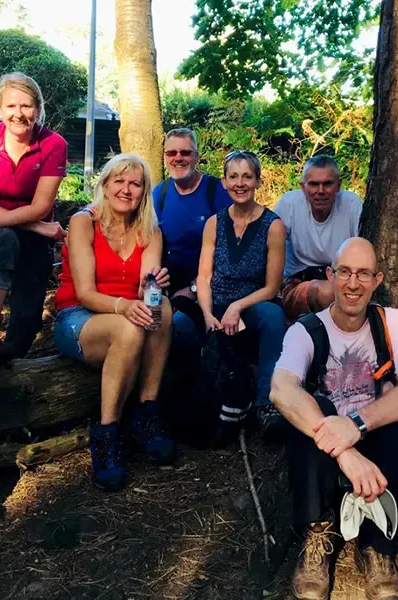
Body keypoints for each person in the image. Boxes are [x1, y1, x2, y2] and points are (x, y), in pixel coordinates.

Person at [270, 238, 398, 600]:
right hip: (325, 455)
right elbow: (281, 389)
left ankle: (376, 543)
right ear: (330, 275)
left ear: (377, 279)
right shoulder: (307, 330)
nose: (353, 284)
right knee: (312, 414)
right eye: (344, 272)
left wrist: (356, 424)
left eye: (363, 274)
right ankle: (318, 535)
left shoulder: (394, 323)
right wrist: (344, 449)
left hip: (375, 444)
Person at [53, 153, 174, 492]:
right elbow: (86, 293)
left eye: (135, 183)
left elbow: (144, 290)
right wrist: (124, 306)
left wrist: (151, 283)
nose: (126, 189)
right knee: (129, 325)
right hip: (78, 315)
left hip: (127, 313)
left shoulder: (149, 230)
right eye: (119, 181)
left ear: (144, 191)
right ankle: (107, 434)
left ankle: (148, 411)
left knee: (161, 306)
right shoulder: (83, 222)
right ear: (105, 186)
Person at [0, 72, 68, 365]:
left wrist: (33, 224)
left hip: (26, 230)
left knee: (27, 317)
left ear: (38, 109)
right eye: (11, 106)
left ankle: (10, 356)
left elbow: (40, 207)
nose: (18, 114)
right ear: (0, 109)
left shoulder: (53, 145)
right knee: (4, 238)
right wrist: (38, 226)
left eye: (26, 106)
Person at [196, 151, 286, 434]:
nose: (240, 183)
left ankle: (265, 404)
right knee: (180, 327)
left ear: (258, 181)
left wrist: (237, 307)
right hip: (214, 300)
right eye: (233, 176)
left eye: (247, 176)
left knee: (273, 317)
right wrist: (208, 314)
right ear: (224, 182)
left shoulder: (273, 226)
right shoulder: (214, 223)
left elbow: (272, 287)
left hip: (252, 302)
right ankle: (190, 405)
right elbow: (204, 276)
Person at [153, 128, 232, 349]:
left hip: (212, 286)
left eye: (185, 153)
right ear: (165, 157)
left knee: (180, 328)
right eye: (172, 153)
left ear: (197, 156)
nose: (178, 158)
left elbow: (231, 252)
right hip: (170, 285)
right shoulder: (160, 194)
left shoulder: (216, 192)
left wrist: (194, 289)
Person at [275, 155, 362, 321]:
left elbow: (362, 250)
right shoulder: (290, 204)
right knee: (327, 293)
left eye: (327, 183)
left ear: (338, 185)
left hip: (343, 279)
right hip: (299, 281)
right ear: (303, 186)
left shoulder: (352, 204)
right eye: (314, 184)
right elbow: (268, 246)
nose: (320, 191)